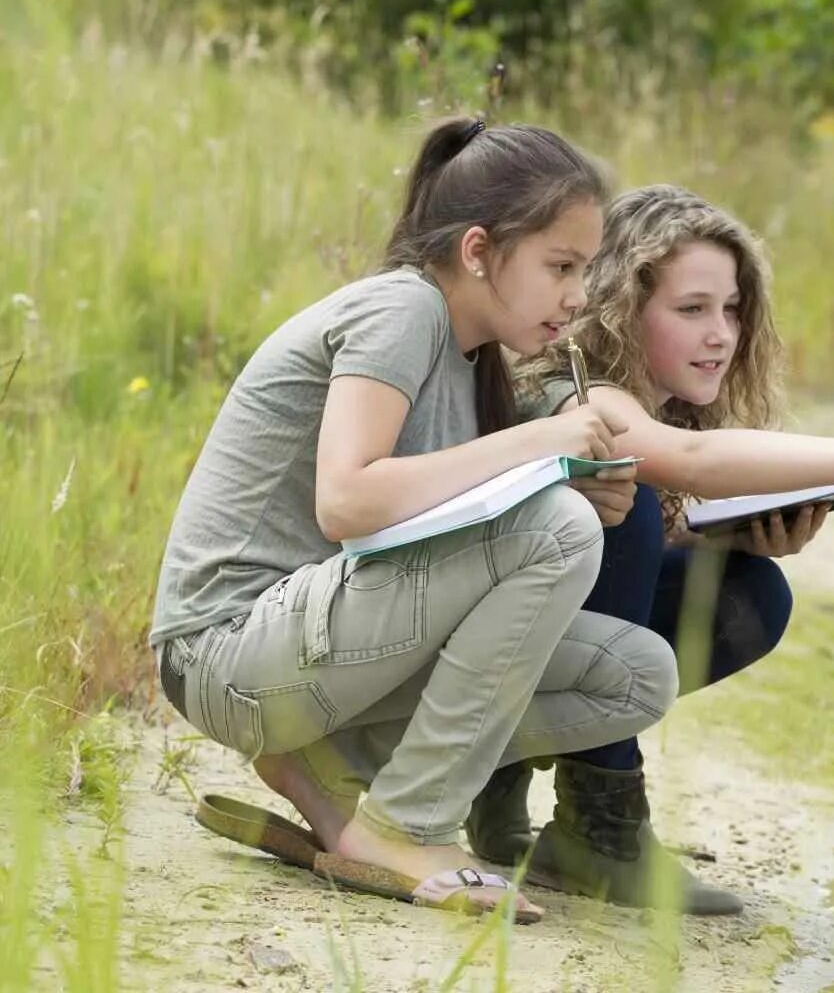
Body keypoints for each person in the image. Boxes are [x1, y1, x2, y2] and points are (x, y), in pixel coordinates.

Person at [150, 118, 679, 921]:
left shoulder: (472, 360)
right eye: (561, 266)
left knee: (637, 672)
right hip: (226, 652)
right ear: (477, 251)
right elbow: (348, 499)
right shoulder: (402, 310)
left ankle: (333, 772)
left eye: (586, 269)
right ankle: (407, 824)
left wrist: (562, 474)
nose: (578, 295)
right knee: (557, 529)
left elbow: (430, 529)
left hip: (317, 653)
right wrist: (538, 447)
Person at [465, 184, 834, 914]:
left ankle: (516, 775)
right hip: (463, 657)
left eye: (732, 309)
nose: (722, 334)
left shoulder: (648, 398)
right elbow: (686, 464)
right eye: (692, 310)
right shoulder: (579, 394)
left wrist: (728, 534)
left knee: (748, 593)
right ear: (623, 312)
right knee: (624, 504)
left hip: (528, 643)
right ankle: (602, 828)